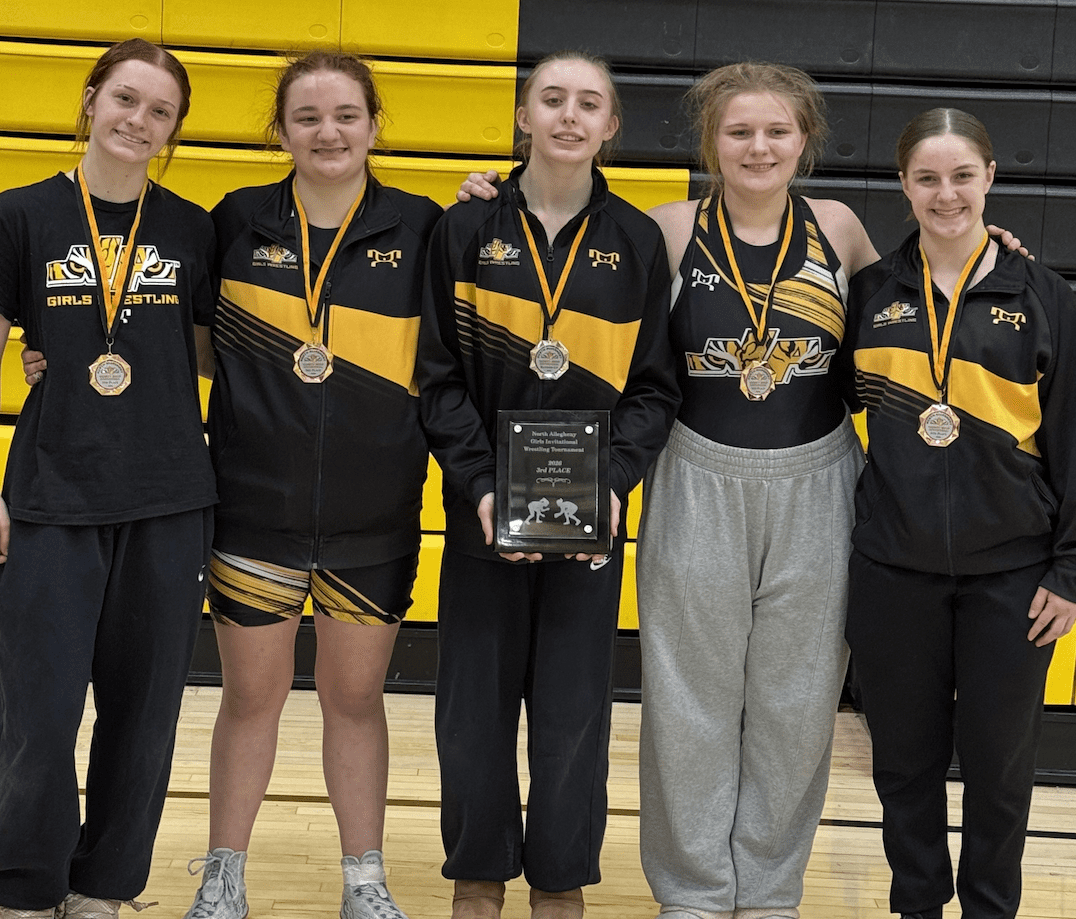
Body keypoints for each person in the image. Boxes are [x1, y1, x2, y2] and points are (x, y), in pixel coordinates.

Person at [416, 51, 680, 919]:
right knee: (473, 707)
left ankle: (560, 879)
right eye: (552, 99)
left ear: (611, 127)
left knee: (574, 712)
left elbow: (654, 388)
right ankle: (478, 872)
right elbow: (438, 378)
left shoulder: (638, 240)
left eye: (589, 103)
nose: (570, 116)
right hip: (483, 513)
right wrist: (484, 484)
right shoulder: (464, 229)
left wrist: (610, 484)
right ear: (524, 115)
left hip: (590, 518)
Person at [179, 52, 442, 919]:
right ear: (280, 130)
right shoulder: (235, 221)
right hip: (254, 511)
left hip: (375, 517)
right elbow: (177, 339)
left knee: (355, 699)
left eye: (345, 116)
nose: (327, 132)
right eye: (306, 117)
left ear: (373, 124)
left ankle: (364, 877)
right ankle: (226, 875)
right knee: (249, 699)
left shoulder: (423, 226)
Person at [0, 38, 217, 919]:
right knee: (35, 716)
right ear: (90, 100)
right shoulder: (21, 215)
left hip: (169, 500)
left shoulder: (195, 227)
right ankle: (23, 885)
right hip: (51, 498)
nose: (139, 120)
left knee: (145, 713)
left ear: (173, 131)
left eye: (160, 111)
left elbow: (207, 356)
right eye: (125, 99)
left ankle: (103, 889)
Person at [842, 108, 1076, 919]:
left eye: (963, 176)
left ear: (991, 178)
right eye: (928, 178)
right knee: (902, 768)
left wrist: (1070, 572)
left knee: (999, 773)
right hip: (890, 576)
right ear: (903, 186)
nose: (947, 195)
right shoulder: (867, 296)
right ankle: (916, 908)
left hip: (1013, 580)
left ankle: (988, 910)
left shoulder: (1045, 297)